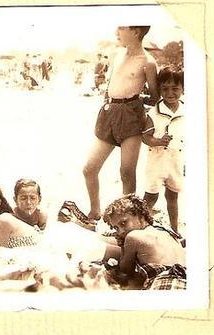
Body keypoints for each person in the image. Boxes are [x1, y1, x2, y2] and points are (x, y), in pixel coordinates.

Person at [83, 26, 159, 220]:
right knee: (89, 168)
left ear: (135, 32)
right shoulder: (117, 54)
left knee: (126, 172)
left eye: (122, 29)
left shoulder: (148, 62)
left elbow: (155, 95)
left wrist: (136, 103)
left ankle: (126, 219)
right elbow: (111, 84)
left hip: (131, 115)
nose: (116, 32)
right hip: (110, 112)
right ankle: (94, 211)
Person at [0, 180, 120, 262]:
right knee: (119, 248)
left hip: (62, 244)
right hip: (55, 242)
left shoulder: (3, 220)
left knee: (122, 251)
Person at [103, 194, 186, 290]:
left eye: (123, 223)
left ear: (141, 217)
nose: (120, 231)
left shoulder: (133, 237)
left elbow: (125, 270)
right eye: (116, 228)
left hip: (165, 283)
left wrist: (122, 245)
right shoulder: (166, 230)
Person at [142, 67, 184, 235]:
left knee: (173, 196)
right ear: (159, 89)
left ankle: (175, 228)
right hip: (157, 160)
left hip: (176, 159)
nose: (170, 93)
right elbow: (145, 137)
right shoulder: (155, 112)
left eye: (175, 88)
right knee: (151, 196)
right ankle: (140, 225)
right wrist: (158, 141)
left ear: (182, 89)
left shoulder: (186, 110)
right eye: (165, 88)